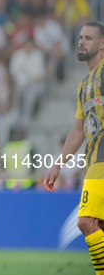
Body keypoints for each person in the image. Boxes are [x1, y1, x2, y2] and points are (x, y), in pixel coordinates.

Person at [45, 22, 104, 275]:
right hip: (93, 161)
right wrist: (58, 164)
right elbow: (79, 130)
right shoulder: (84, 85)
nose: (81, 42)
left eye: (88, 38)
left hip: (102, 160)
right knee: (98, 224)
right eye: (80, 37)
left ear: (102, 43)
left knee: (86, 222)